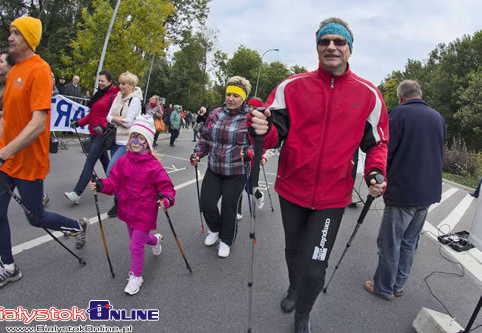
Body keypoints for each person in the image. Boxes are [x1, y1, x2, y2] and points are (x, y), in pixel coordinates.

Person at [248, 17, 389, 332]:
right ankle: (294, 287)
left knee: (315, 265)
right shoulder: (292, 86)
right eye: (325, 41)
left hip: (332, 196)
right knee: (293, 250)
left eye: (339, 42)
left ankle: (303, 315)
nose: (331, 47)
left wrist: (375, 172)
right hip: (292, 188)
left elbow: (377, 143)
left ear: (349, 50)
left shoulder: (369, 95)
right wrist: (262, 129)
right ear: (317, 47)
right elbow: (273, 134)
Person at [0, 16, 90, 288]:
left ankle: (77, 226)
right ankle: (9, 266)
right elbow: (6, 119)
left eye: (16, 33)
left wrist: (1, 154)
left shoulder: (40, 70)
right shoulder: (13, 71)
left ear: (29, 38)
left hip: (28, 160)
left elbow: (38, 122)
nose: (10, 37)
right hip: (5, 159)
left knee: (36, 219)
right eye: (10, 31)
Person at [364, 80, 445, 301]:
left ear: (401, 97)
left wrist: (378, 177)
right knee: (410, 241)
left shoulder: (399, 114)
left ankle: (383, 287)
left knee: (391, 242)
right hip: (428, 192)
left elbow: (385, 153)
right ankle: (398, 284)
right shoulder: (438, 117)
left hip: (403, 192)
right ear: (419, 94)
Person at [89, 115, 175, 295]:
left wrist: (166, 199)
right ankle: (156, 240)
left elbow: (167, 188)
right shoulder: (122, 161)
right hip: (127, 211)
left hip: (145, 212)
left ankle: (136, 277)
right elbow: (113, 183)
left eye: (141, 138)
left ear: (148, 142)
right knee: (140, 240)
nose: (136, 141)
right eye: (133, 137)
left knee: (135, 246)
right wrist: (101, 185)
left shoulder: (154, 166)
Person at [190, 76, 252, 258]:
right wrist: (198, 152)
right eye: (228, 94)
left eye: (236, 96)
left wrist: (250, 154)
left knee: (228, 208)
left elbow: (257, 144)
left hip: (236, 171)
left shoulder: (249, 117)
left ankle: (226, 240)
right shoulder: (216, 113)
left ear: (244, 98)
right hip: (215, 168)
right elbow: (205, 137)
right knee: (207, 203)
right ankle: (216, 229)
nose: (231, 99)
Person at [64, 70, 119, 205]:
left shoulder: (114, 95)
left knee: (90, 162)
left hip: (103, 135)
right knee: (107, 164)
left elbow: (115, 116)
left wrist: (104, 126)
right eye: (99, 80)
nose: (100, 83)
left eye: (103, 81)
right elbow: (92, 115)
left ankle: (77, 193)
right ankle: (117, 188)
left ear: (110, 82)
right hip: (94, 133)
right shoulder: (99, 94)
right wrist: (79, 122)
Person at [104, 71, 143, 217]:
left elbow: (128, 122)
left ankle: (123, 200)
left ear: (131, 86)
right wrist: (116, 118)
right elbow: (108, 116)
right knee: (121, 174)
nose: (120, 86)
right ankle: (121, 202)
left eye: (123, 84)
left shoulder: (135, 100)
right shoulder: (118, 97)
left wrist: (115, 118)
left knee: (111, 172)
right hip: (114, 140)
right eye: (120, 83)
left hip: (126, 143)